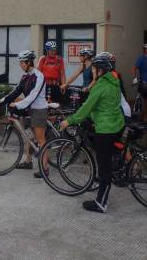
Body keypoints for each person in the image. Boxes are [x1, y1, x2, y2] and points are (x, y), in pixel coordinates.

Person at [60, 52, 125, 213]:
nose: (93, 71)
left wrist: (69, 121)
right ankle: (116, 169)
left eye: (94, 68)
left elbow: (86, 109)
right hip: (117, 124)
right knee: (110, 158)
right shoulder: (114, 81)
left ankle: (101, 203)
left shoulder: (100, 86)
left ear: (100, 70)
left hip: (105, 128)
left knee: (104, 168)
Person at [0, 50, 48, 177]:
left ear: (29, 62)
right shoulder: (25, 77)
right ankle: (28, 161)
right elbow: (15, 91)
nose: (20, 65)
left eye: (22, 63)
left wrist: (18, 104)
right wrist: (1, 101)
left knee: (41, 141)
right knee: (29, 137)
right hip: (29, 109)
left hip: (39, 110)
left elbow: (32, 96)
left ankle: (45, 169)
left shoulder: (39, 76)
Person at [132, 43, 147, 122]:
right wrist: (135, 77)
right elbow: (134, 68)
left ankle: (142, 116)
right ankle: (144, 116)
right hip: (144, 83)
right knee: (144, 100)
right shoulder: (141, 58)